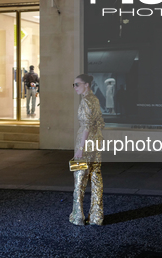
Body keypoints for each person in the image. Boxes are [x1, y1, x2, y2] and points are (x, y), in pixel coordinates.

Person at [70, 74, 104, 226]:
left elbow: (87, 126)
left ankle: (78, 216)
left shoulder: (85, 101)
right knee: (96, 178)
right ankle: (97, 216)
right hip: (96, 144)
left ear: (86, 85)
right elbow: (100, 123)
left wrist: (80, 149)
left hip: (84, 146)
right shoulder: (95, 99)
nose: (75, 87)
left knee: (79, 180)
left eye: (77, 84)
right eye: (74, 84)